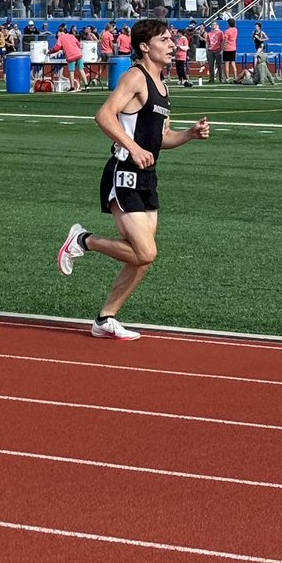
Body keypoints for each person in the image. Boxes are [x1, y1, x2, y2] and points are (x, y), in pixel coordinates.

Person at [57, 20, 210, 339]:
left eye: (173, 40)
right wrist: (133, 147)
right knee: (146, 252)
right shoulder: (135, 77)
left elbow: (162, 137)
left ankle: (105, 318)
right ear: (144, 46)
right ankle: (82, 240)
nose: (173, 45)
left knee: (142, 258)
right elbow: (104, 115)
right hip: (124, 172)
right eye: (165, 40)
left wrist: (190, 135)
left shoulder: (162, 85)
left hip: (147, 176)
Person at [222, 18, 238, 83]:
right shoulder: (235, 30)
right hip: (233, 48)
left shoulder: (227, 31)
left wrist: (223, 47)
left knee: (227, 63)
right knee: (233, 63)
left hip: (227, 48)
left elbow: (225, 40)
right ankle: (235, 77)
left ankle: (227, 78)